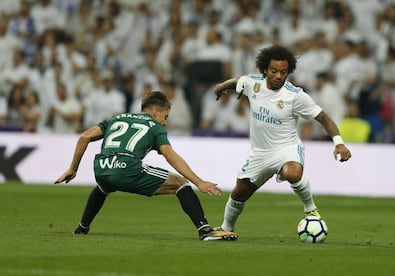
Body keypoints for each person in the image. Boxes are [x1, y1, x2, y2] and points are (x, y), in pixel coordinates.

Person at [54, 91, 238, 241]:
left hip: (101, 167)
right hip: (127, 168)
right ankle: (204, 230)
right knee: (180, 183)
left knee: (104, 186)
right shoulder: (155, 126)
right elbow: (170, 156)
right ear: (157, 112)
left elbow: (84, 137)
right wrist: (199, 182)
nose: (165, 121)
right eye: (166, 116)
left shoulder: (116, 118)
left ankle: (82, 228)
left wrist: (73, 168)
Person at [212, 45, 352, 233]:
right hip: (260, 154)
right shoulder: (253, 84)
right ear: (264, 70)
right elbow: (238, 81)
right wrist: (221, 87)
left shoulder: (295, 96)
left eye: (284, 72)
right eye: (274, 71)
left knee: (293, 173)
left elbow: (324, 118)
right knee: (239, 193)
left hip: (287, 149)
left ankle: (311, 210)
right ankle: (226, 228)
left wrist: (339, 143)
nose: (279, 76)